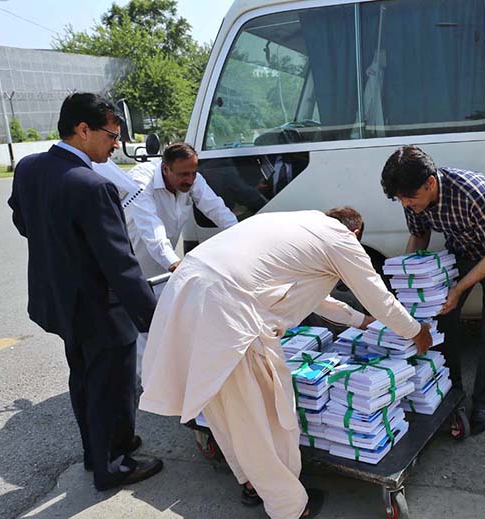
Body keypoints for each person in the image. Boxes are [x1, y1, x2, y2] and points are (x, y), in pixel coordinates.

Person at [139, 208, 432, 519]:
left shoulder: (298, 225)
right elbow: (378, 297)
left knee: (227, 407)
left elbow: (319, 298)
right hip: (226, 310)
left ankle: (254, 482)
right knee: (264, 414)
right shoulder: (341, 240)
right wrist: (416, 331)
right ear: (356, 233)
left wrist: (360, 321)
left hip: (187, 290)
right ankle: (290, 507)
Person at [7, 92, 164, 490]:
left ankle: (99, 450)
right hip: (98, 307)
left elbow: (23, 221)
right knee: (114, 384)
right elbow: (121, 266)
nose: (116, 143)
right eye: (112, 134)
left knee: (84, 377)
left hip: (57, 301)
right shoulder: (92, 186)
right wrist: (154, 319)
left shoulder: (28, 167)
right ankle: (113, 464)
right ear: (82, 130)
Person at [380, 145, 485, 437]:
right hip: (463, 248)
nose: (407, 204)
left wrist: (458, 288)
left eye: (410, 197)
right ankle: (450, 389)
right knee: (442, 315)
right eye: (401, 200)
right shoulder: (415, 203)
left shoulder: (474, 192)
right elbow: (419, 236)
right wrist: (409, 279)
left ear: (430, 183)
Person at [124, 142, 238, 277]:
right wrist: (174, 263)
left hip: (164, 267)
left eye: (193, 173)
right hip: (132, 267)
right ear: (165, 169)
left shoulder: (192, 178)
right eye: (183, 174)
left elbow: (217, 209)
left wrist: (241, 236)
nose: (190, 180)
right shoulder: (141, 181)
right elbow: (151, 227)